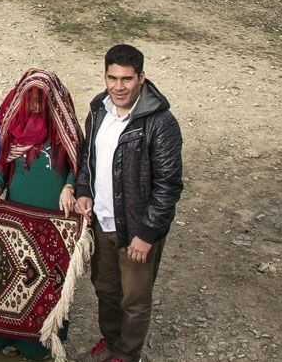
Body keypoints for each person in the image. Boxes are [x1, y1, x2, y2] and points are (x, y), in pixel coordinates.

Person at [74, 45, 183, 362]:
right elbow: (88, 159)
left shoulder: (160, 123)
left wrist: (148, 233)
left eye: (127, 79)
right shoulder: (98, 110)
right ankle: (110, 342)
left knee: (134, 299)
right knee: (106, 291)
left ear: (142, 78)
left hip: (136, 229)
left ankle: (127, 353)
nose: (118, 87)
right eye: (112, 78)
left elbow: (168, 185)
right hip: (102, 223)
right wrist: (83, 190)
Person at [0, 68, 83, 359]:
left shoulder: (64, 130)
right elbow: (3, 165)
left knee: (49, 277)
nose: (36, 106)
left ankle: (41, 343)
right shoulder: (16, 127)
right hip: (19, 213)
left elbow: (79, 168)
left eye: (42, 100)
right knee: (15, 275)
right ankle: (9, 336)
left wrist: (68, 186)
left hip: (54, 216)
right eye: (31, 100)